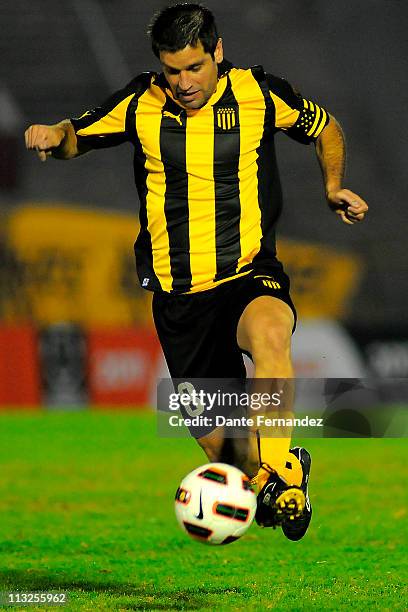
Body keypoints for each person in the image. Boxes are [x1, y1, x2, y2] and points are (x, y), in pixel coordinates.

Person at [25, 3, 368, 541]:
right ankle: (283, 471)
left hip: (248, 274)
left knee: (271, 334)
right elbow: (78, 135)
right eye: (172, 70)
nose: (183, 82)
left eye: (194, 67)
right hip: (179, 299)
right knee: (228, 456)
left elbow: (325, 127)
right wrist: (53, 134)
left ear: (218, 52)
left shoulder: (258, 93)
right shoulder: (141, 102)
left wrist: (332, 187)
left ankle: (280, 469)